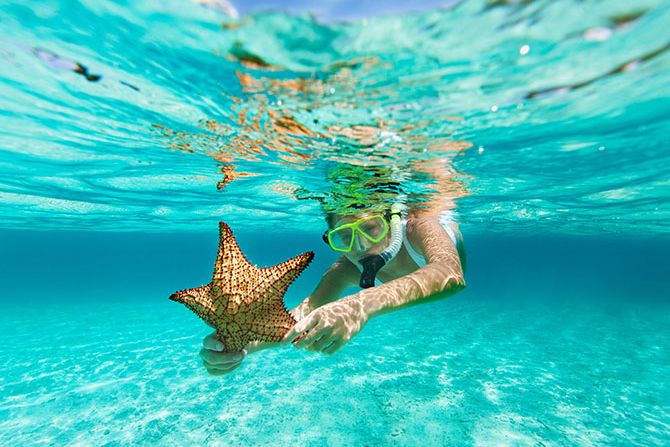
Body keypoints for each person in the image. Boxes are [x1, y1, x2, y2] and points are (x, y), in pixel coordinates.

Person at [199, 199, 467, 376]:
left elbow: (450, 273)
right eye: (344, 236)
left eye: (371, 228)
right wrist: (239, 345)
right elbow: (302, 313)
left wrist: (358, 306)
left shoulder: (419, 227)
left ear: (392, 222)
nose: (361, 246)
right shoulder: (346, 269)